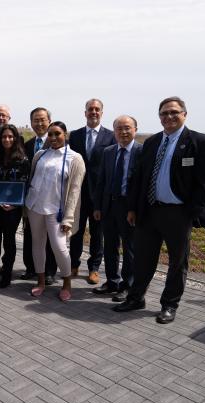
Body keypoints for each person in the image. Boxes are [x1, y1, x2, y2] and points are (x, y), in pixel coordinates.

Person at [113, 97, 205, 324]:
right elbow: (138, 179)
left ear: (184, 114)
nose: (168, 117)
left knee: (177, 262)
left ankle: (169, 304)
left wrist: (191, 212)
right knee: (142, 259)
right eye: (164, 113)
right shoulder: (151, 143)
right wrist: (132, 208)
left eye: (174, 112)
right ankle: (136, 298)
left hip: (178, 213)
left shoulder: (200, 142)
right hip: (149, 211)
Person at [25, 121, 86, 301]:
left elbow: (75, 191)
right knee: (37, 244)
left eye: (57, 134)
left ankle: (66, 283)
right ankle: (41, 281)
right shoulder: (40, 155)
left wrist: (68, 218)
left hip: (56, 211)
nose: (53, 138)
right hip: (35, 207)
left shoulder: (75, 158)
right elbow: (31, 180)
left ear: (65, 134)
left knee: (59, 248)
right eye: (50, 134)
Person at [93, 116, 142, 302]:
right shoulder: (108, 151)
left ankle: (127, 286)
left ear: (135, 129)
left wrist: (134, 209)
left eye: (127, 128)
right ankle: (112, 281)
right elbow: (101, 181)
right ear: (114, 131)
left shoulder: (141, 151)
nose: (123, 132)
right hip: (108, 206)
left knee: (129, 248)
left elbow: (142, 185)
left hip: (129, 208)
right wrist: (97, 206)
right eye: (119, 128)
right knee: (110, 247)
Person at [68, 99, 116, 284]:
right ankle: (73, 264)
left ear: (102, 113)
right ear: (85, 112)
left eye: (97, 109)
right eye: (90, 109)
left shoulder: (110, 136)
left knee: (98, 233)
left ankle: (94, 269)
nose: (93, 112)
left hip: (99, 194)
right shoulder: (75, 135)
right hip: (78, 193)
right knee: (76, 231)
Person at [0, 124, 30, 288]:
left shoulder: (23, 159)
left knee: (9, 242)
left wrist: (15, 204)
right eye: (4, 137)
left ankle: (7, 273)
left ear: (16, 138)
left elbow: (25, 184)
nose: (7, 139)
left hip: (13, 209)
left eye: (10, 136)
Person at [22, 107, 57, 282]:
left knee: (49, 237)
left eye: (42, 119)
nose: (39, 123)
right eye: (35, 120)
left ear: (49, 121)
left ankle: (49, 271)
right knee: (30, 234)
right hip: (30, 199)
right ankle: (31, 268)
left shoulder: (55, 143)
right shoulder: (26, 145)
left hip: (50, 199)